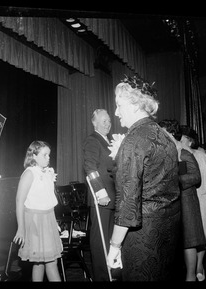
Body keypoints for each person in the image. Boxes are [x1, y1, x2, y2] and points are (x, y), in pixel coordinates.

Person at [107, 75, 181, 281]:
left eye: (119, 105)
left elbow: (128, 204)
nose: (116, 112)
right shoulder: (165, 136)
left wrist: (114, 246)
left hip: (143, 240)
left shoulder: (133, 141)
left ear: (133, 104)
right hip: (168, 234)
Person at [159, 120, 206, 281]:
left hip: (186, 202)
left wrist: (174, 180)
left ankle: (191, 276)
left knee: (189, 241)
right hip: (172, 203)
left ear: (171, 134)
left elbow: (196, 177)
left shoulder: (184, 153)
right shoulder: (166, 152)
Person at [13, 140, 62, 282]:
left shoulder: (47, 172)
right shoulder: (29, 173)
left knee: (40, 262)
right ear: (34, 155)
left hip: (48, 219)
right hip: (35, 221)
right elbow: (19, 201)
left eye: (49, 155)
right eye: (45, 155)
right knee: (49, 262)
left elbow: (47, 199)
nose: (48, 158)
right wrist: (21, 228)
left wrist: (54, 222)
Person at [82, 109, 116, 281]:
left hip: (113, 199)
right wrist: (100, 193)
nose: (107, 124)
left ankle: (111, 274)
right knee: (100, 242)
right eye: (103, 121)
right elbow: (90, 168)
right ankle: (102, 277)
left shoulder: (109, 141)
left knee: (111, 241)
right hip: (102, 199)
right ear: (94, 123)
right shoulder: (93, 140)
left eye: (109, 121)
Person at [180, 125, 206, 281]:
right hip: (185, 200)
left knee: (200, 234)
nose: (178, 140)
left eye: (181, 138)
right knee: (189, 237)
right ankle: (190, 270)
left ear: (189, 140)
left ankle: (200, 265)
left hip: (201, 199)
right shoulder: (179, 155)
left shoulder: (201, 155)